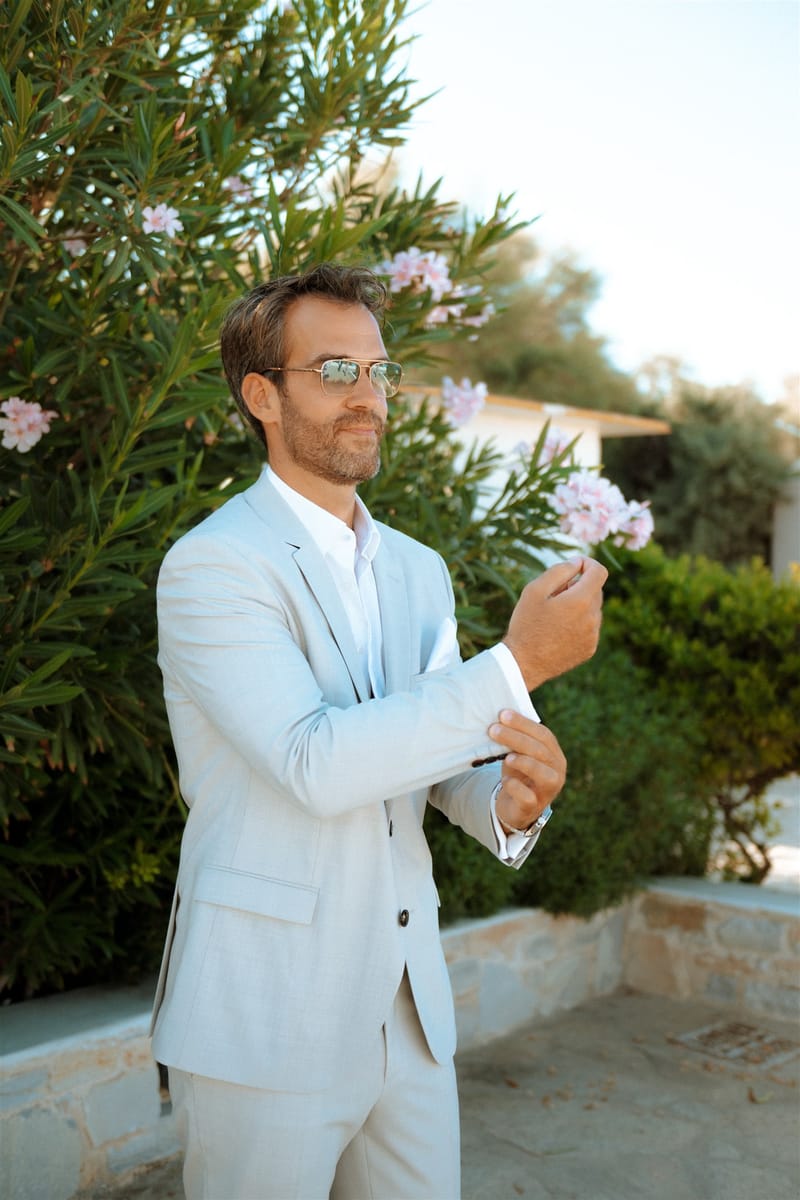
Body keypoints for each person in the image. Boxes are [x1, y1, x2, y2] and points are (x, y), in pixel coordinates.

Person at [150, 263, 607, 1200]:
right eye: (335, 370)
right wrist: (519, 664)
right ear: (261, 396)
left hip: (409, 1019)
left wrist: (509, 799)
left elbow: (442, 764)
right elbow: (314, 764)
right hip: (265, 1018)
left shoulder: (419, 569)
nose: (369, 397)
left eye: (379, 371)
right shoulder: (209, 569)